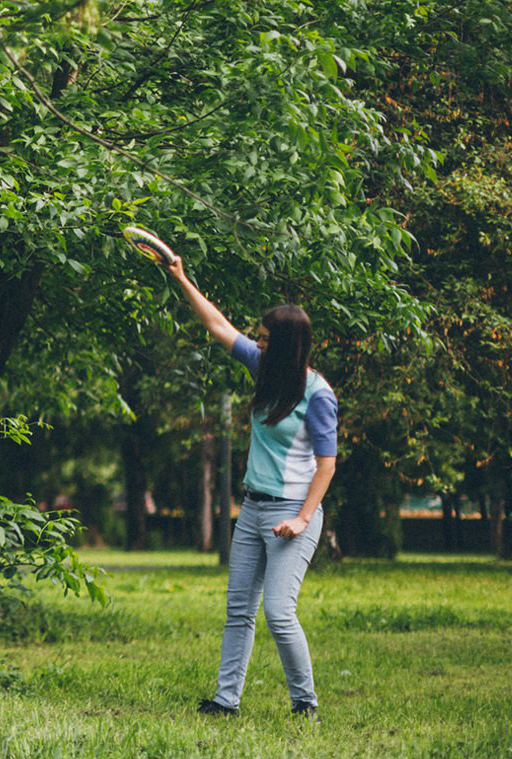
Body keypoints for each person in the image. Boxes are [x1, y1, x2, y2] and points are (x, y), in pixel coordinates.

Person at [163, 253, 337, 722]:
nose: (255, 343)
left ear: (285, 346)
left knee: (279, 611)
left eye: (263, 338)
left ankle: (306, 705)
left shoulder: (318, 395)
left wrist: (302, 519)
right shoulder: (265, 369)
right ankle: (226, 702)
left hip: (292, 514)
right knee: (238, 611)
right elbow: (218, 325)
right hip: (254, 510)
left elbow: (327, 465)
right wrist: (181, 276)